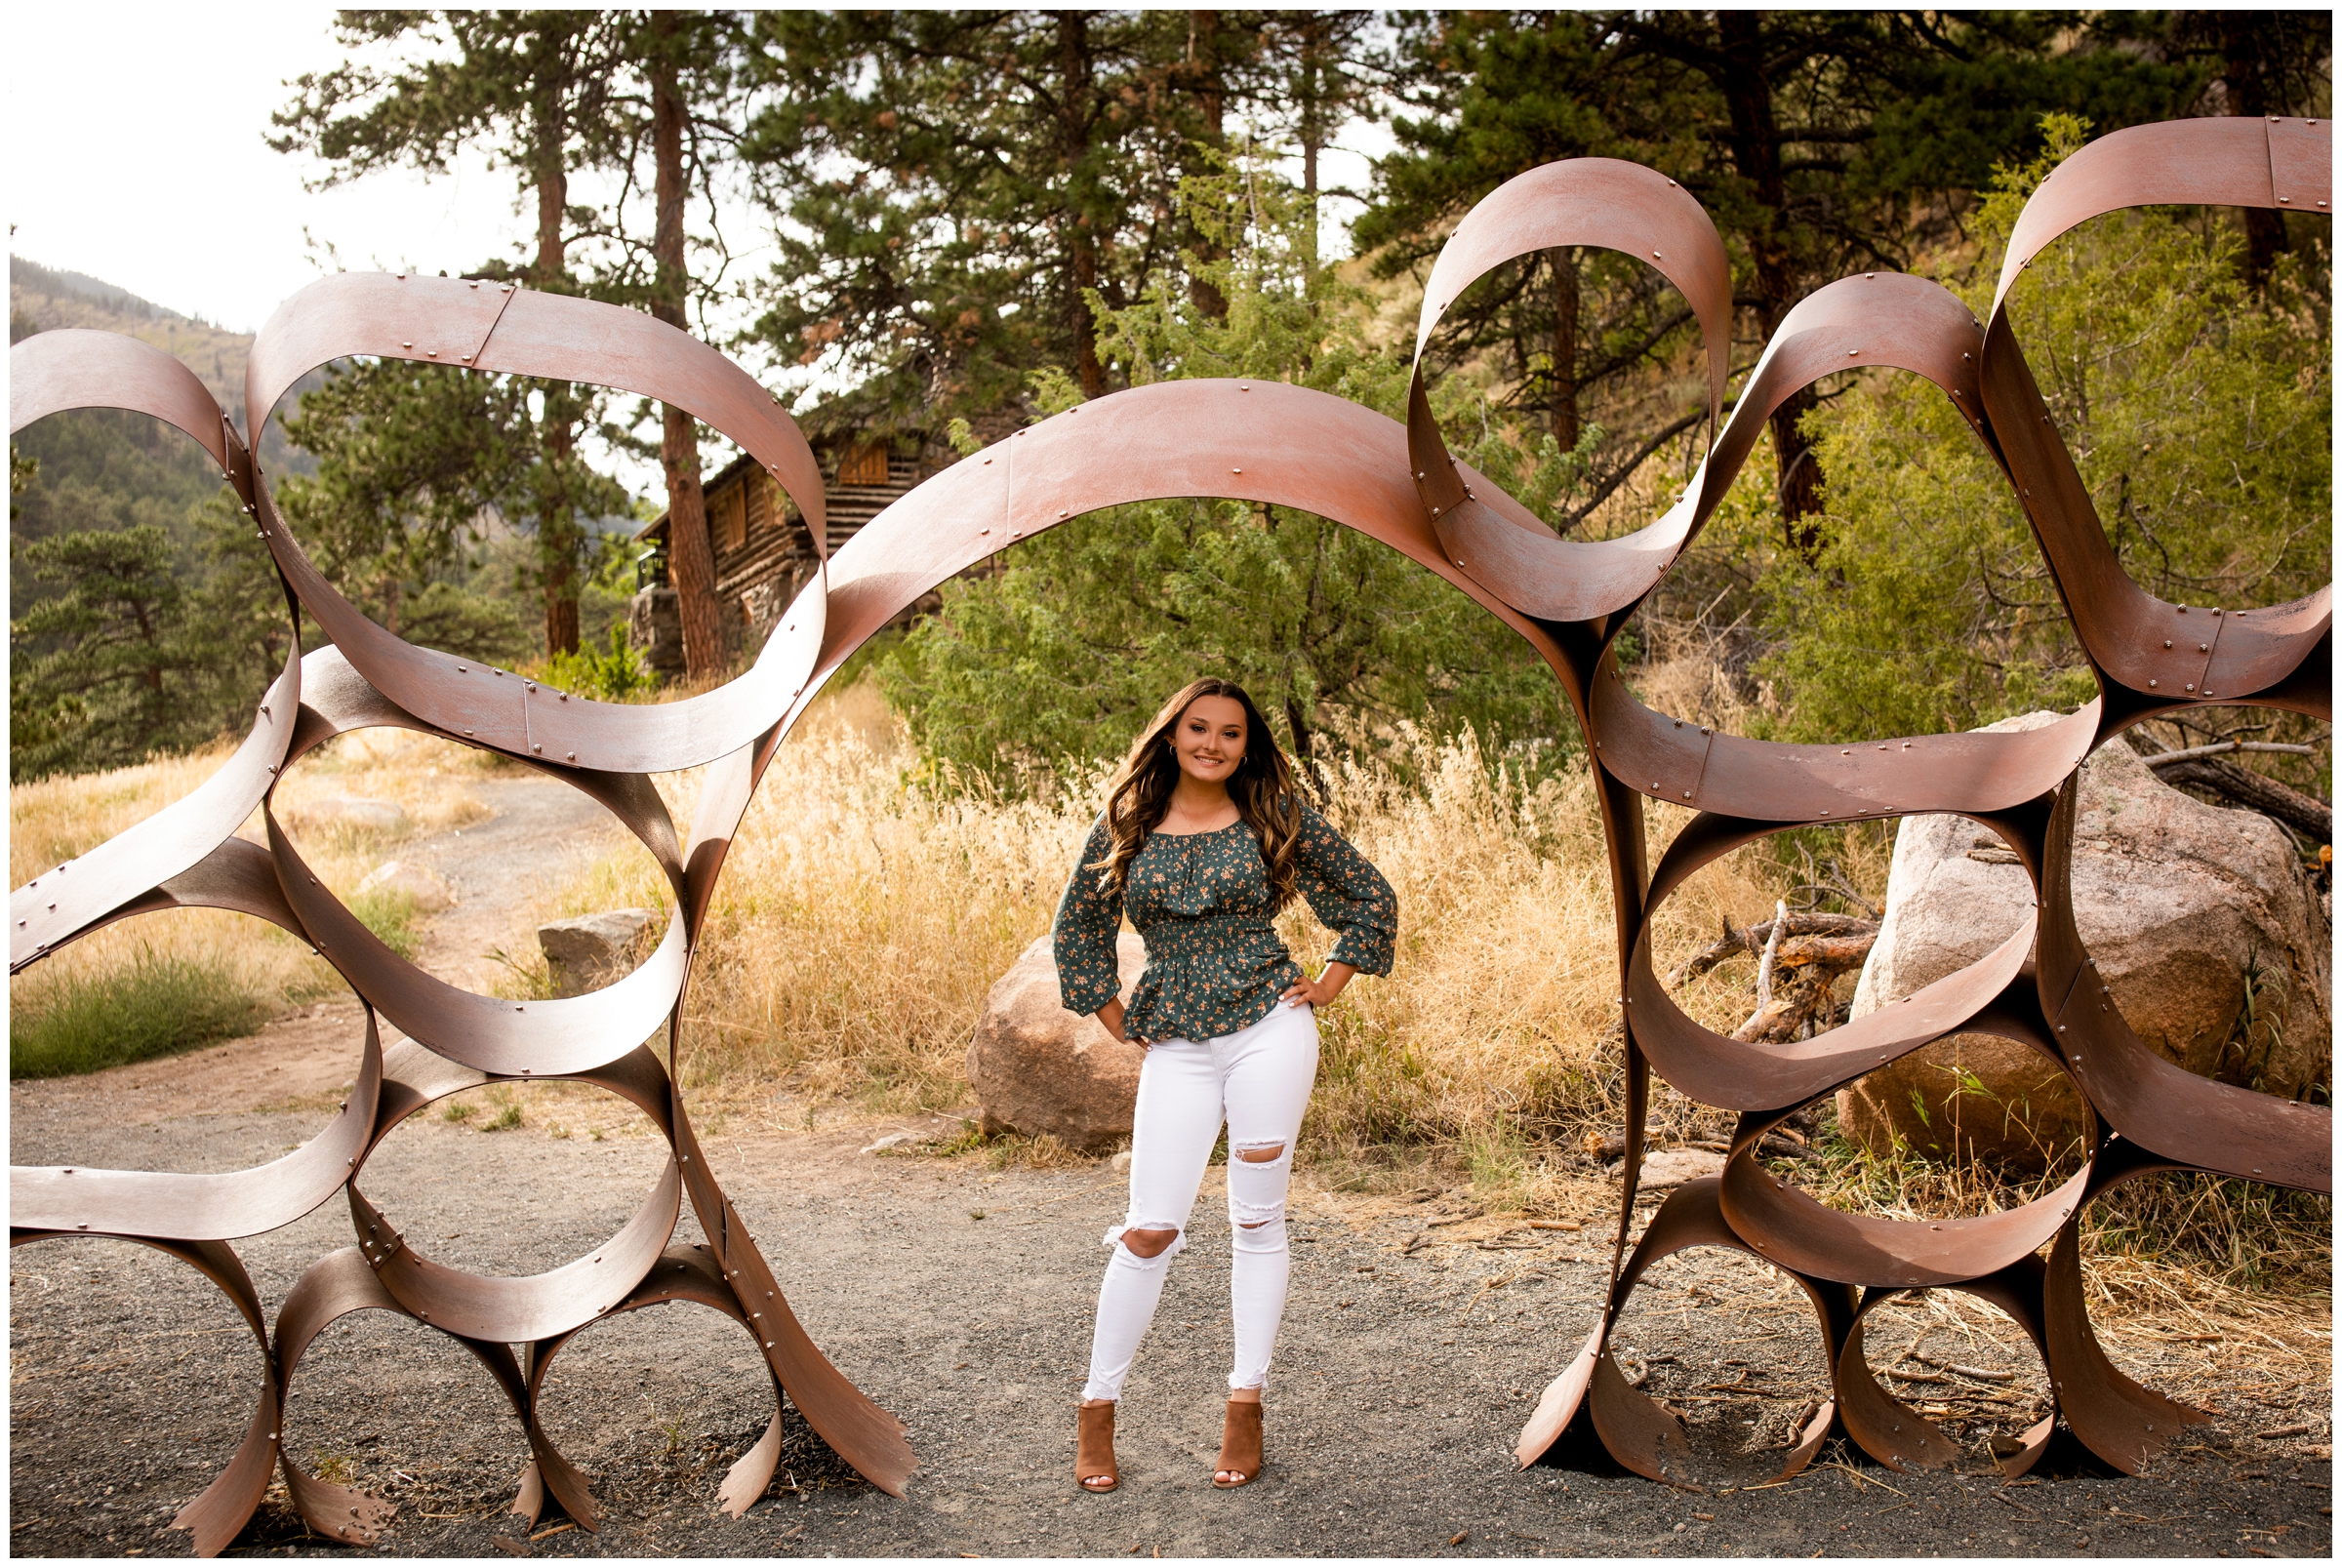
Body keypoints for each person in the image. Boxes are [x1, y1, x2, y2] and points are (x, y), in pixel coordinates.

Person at [1050, 677, 1397, 1494]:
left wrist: (1331, 979)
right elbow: (1078, 924)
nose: (1213, 743)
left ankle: (1247, 1402)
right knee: (1150, 1228)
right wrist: (1110, 1013)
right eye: (1198, 728)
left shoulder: (1274, 815)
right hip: (1176, 1040)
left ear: (1248, 745)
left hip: (1270, 1029)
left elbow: (1368, 894)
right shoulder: (1126, 824)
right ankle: (1098, 1408)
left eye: (1231, 733)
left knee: (1256, 1216)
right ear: (1171, 734)